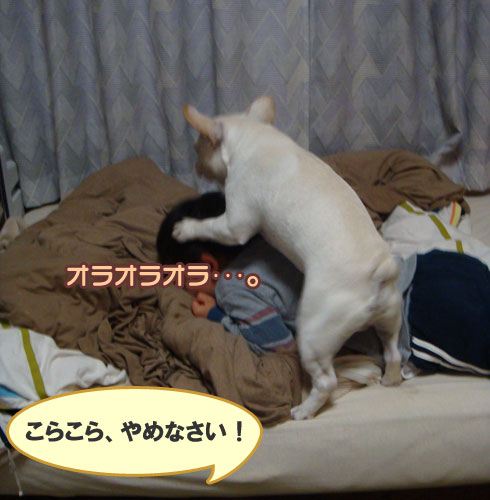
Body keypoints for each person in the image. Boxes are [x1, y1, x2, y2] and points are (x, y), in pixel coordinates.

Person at [157, 192, 490, 377]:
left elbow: (277, 346)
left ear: (206, 265)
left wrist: (217, 317)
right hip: (433, 266)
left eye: (180, 278)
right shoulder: (274, 235)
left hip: (418, 313)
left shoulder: (232, 286)